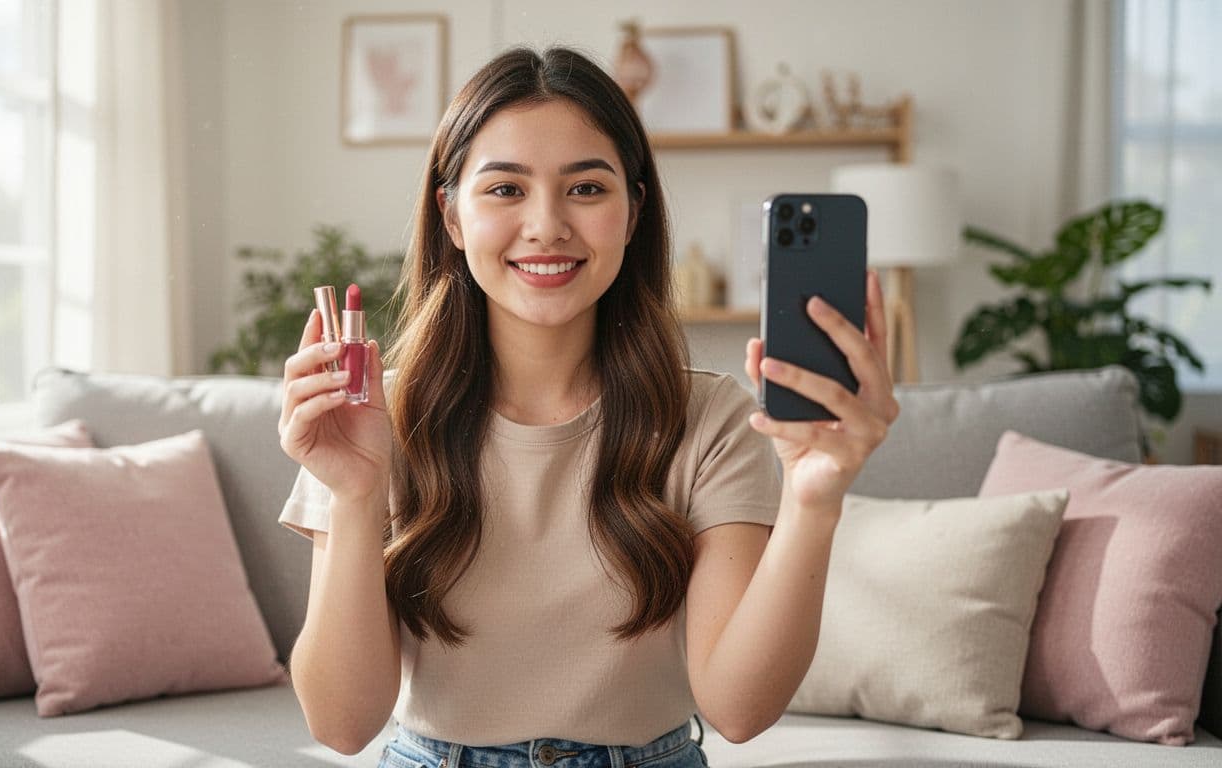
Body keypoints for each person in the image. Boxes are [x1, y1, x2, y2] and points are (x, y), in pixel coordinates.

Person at [276, 46, 899, 768]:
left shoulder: (712, 418)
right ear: (450, 216)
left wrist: (814, 503)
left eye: (587, 189)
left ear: (633, 211)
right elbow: (342, 724)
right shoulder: (370, 419)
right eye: (506, 190)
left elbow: (740, 709)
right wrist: (355, 495)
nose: (546, 226)